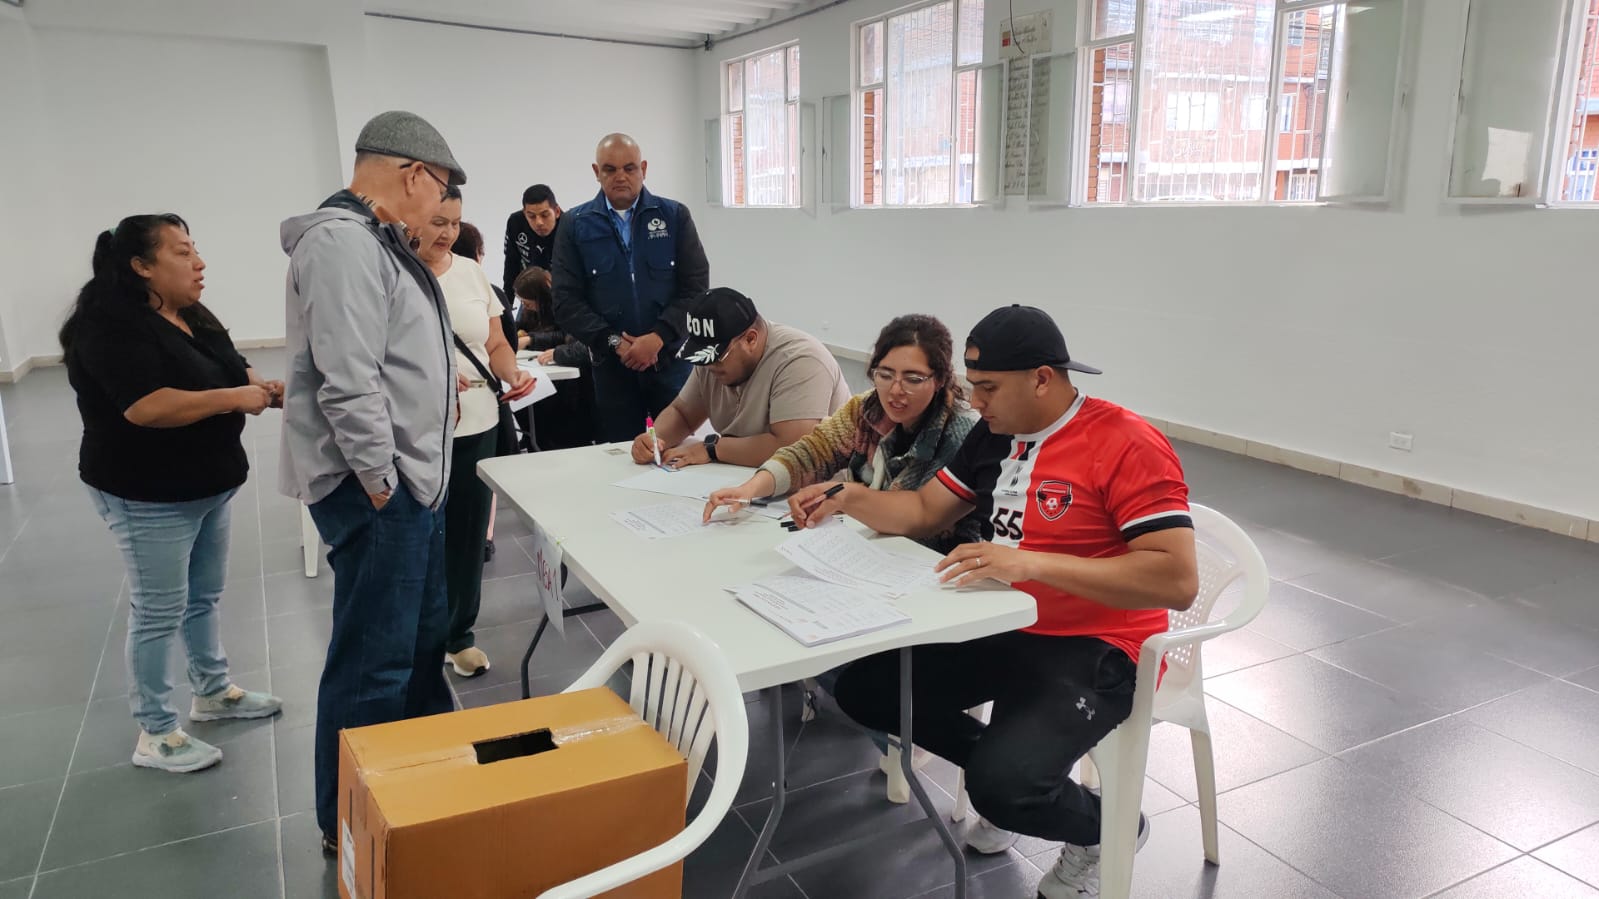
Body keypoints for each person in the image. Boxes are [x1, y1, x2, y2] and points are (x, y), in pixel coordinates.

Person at [787, 306, 1199, 899]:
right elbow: (924, 511)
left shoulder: (1125, 442)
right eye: (973, 386)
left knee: (1005, 788)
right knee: (868, 689)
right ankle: (1023, 781)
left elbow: (1176, 579)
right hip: (1004, 621)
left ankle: (1106, 825)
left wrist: (1033, 563)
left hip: (1100, 643)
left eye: (988, 388)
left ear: (1041, 378)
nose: (975, 402)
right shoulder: (995, 434)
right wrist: (846, 496)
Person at [279, 110, 466, 853]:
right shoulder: (342, 243)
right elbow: (348, 381)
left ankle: (421, 786)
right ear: (414, 174)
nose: (441, 209)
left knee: (418, 645)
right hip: (380, 490)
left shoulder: (376, 241)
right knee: (372, 663)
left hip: (411, 485)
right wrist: (383, 484)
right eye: (440, 191)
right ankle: (351, 824)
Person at [62, 214, 284, 774]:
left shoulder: (189, 313)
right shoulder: (110, 326)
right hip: (148, 492)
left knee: (203, 596)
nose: (199, 263)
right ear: (141, 266)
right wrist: (234, 398)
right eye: (182, 253)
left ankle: (212, 690)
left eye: (195, 250)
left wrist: (258, 384)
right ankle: (156, 732)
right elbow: (147, 406)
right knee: (159, 609)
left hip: (207, 483)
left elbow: (230, 363)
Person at [705, 313, 980, 552]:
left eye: (913, 379)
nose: (896, 390)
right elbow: (812, 452)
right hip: (868, 546)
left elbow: (922, 516)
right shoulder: (867, 409)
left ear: (940, 379)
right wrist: (750, 489)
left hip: (930, 561)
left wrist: (849, 497)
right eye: (885, 375)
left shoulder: (961, 432)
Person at [418, 186, 535, 678]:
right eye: (437, 222)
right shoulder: (396, 273)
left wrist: (513, 374)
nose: (448, 233)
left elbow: (495, 343)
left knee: (468, 535)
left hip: (479, 421)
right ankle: (418, 636)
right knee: (422, 534)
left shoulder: (469, 273)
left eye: (454, 223)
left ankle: (459, 635)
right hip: (420, 429)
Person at [552, 133, 710, 443]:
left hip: (670, 362)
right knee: (621, 453)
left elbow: (696, 289)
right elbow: (565, 301)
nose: (620, 177)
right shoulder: (575, 224)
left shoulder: (674, 216)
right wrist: (615, 343)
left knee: (677, 450)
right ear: (596, 172)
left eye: (630, 168)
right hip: (612, 369)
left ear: (644, 169)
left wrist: (658, 337)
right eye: (610, 169)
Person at [630, 287, 848, 469]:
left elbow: (791, 447)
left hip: (821, 490)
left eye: (717, 358)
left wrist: (712, 449)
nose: (709, 367)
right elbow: (683, 413)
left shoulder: (800, 360)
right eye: (703, 358)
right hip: (747, 479)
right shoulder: (713, 362)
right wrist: (655, 440)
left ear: (750, 339)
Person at [514, 266, 597, 450]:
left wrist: (532, 339)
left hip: (573, 377)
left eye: (527, 303)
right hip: (551, 362)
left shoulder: (566, 306)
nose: (525, 307)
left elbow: (566, 338)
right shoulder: (532, 310)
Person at [503, 183, 560, 299]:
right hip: (530, 293)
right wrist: (507, 304)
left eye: (545, 215)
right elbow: (511, 264)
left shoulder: (568, 226)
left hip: (561, 294)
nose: (539, 222)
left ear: (557, 212)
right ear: (525, 214)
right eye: (532, 216)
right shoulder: (515, 223)